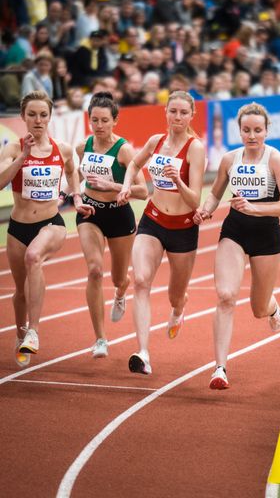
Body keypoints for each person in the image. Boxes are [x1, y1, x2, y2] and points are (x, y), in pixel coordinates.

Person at [194, 102, 280, 390]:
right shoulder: (230, 159)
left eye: (257, 130)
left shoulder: (275, 160)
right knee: (226, 295)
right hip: (235, 231)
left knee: (258, 308)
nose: (252, 135)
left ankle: (273, 307)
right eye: (246, 130)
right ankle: (220, 368)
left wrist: (255, 209)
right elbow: (215, 195)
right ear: (239, 131)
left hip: (266, 236)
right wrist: (205, 209)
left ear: (266, 131)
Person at [0, 90, 93, 367]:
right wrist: (23, 157)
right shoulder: (14, 148)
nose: (38, 120)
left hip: (51, 223)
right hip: (18, 227)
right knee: (19, 291)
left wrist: (76, 197)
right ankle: (20, 335)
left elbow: (72, 169)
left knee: (34, 258)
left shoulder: (61, 148)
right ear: (23, 117)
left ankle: (34, 330)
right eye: (32, 115)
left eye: (43, 115)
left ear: (50, 117)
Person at [117, 91, 205, 375]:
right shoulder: (156, 142)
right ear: (165, 113)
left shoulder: (195, 148)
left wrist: (178, 180)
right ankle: (143, 352)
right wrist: (126, 185)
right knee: (141, 281)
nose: (177, 117)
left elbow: (194, 201)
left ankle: (180, 308)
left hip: (183, 229)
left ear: (192, 115)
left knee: (174, 296)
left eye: (183, 112)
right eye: (173, 111)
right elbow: (133, 163)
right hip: (153, 221)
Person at [75, 91, 148, 358]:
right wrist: (76, 195)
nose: (99, 125)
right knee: (94, 270)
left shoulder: (125, 150)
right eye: (94, 120)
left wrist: (114, 186)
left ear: (115, 120)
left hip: (119, 216)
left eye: (105, 120)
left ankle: (120, 292)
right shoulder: (83, 147)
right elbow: (76, 175)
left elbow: (142, 191)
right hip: (90, 212)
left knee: (119, 277)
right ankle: (100, 339)